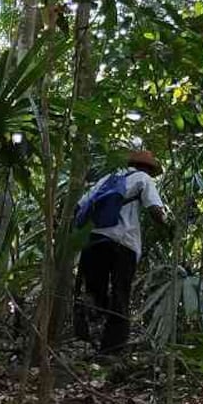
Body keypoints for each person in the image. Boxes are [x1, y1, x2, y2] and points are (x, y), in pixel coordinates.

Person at [73, 150, 168, 353]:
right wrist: (168, 222)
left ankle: (85, 338)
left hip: (94, 240)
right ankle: (112, 348)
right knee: (120, 294)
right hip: (124, 243)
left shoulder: (109, 178)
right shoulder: (143, 179)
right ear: (148, 169)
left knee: (93, 292)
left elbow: (79, 206)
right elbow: (156, 211)